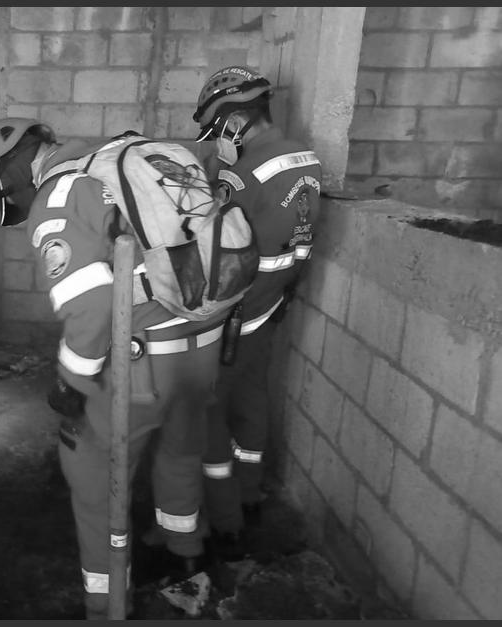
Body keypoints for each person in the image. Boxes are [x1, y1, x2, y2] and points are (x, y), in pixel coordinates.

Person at [0, 118, 225, 619]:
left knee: (89, 467)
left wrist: (71, 382)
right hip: (204, 343)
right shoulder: (122, 155)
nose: (18, 210)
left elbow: (90, 308)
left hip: (145, 360)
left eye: (8, 200)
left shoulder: (59, 196)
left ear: (10, 177)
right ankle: (187, 561)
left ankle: (105, 601)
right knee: (180, 449)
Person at [192, 65, 322, 553]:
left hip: (236, 308)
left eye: (216, 130)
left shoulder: (242, 172)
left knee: (211, 408)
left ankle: (221, 507)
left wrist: (216, 173)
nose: (215, 140)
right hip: (275, 300)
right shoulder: (304, 158)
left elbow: (209, 232)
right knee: (253, 397)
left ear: (233, 121)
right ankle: (250, 491)